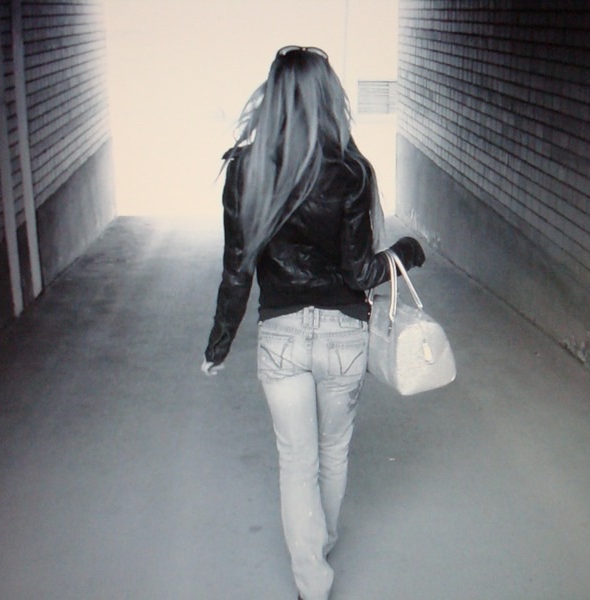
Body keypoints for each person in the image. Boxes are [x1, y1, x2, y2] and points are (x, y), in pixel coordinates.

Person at [202, 45, 425, 600]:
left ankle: (311, 581)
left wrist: (219, 343)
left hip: (280, 336)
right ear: (330, 97)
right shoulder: (351, 171)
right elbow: (360, 272)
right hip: (344, 334)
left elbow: (237, 269)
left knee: (296, 460)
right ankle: (320, 542)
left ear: (273, 97)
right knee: (333, 451)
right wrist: (405, 252)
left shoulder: (246, 169)